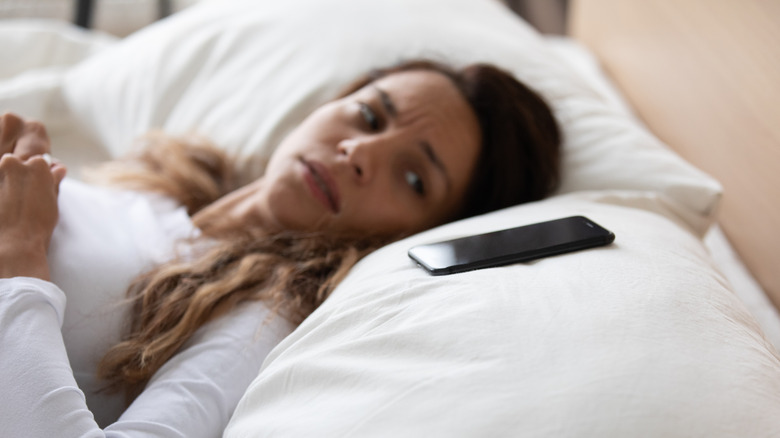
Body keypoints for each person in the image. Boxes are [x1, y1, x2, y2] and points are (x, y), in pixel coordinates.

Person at [0, 59, 561, 437]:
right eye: (369, 114)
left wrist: (20, 254)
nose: (359, 152)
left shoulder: (259, 315)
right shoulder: (153, 191)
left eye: (414, 179)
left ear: (420, 232)